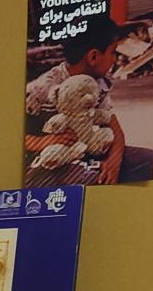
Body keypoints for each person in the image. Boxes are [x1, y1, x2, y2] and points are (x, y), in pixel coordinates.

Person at [24, 21, 129, 185]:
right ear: (93, 57)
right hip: (52, 161)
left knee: (148, 160)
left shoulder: (97, 84)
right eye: (113, 52)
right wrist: (41, 142)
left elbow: (115, 129)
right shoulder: (42, 87)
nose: (115, 59)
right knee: (92, 179)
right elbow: (7, 133)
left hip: (88, 150)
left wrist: (114, 162)